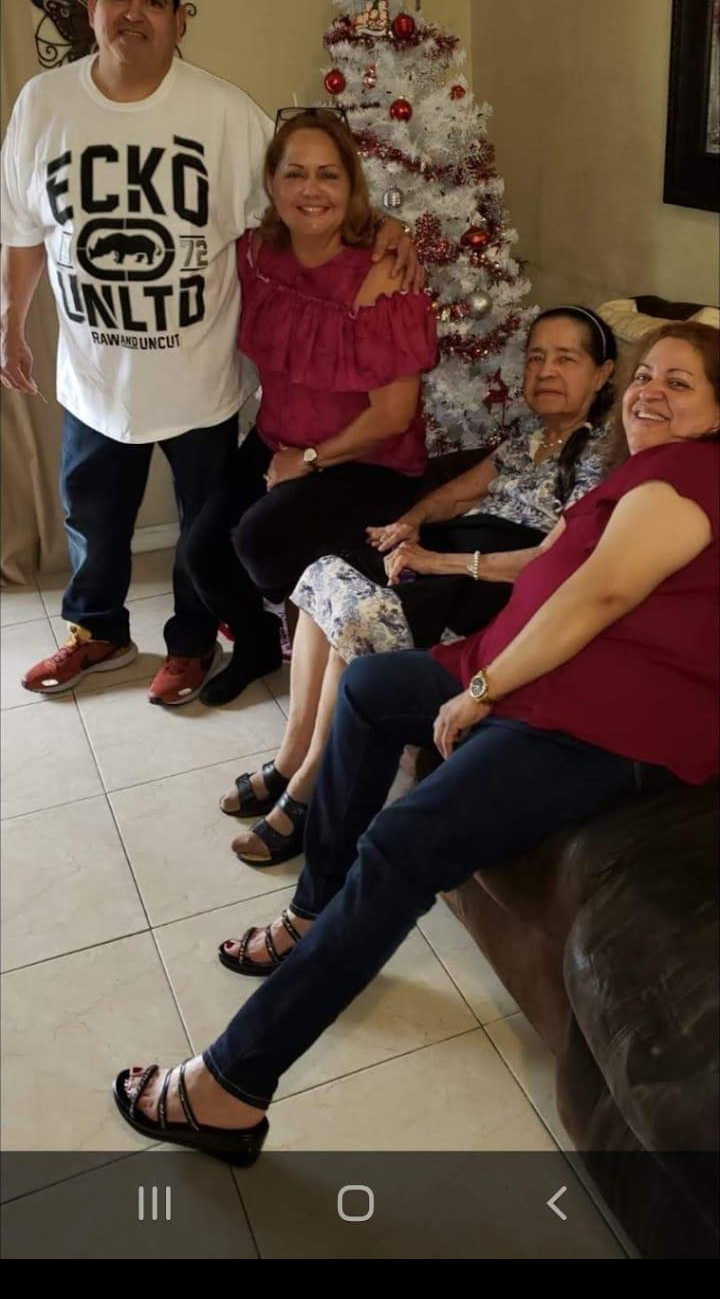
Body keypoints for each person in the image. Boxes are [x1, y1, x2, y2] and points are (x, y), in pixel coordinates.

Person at [113, 321, 719, 1156]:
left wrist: (483, 688)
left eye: (680, 382)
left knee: (403, 844)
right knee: (370, 689)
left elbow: (597, 601)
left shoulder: (685, 479)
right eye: (647, 374)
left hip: (599, 719)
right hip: (533, 670)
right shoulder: (638, 471)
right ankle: (314, 908)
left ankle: (230, 1086)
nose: (651, 390)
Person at [0, 0, 420, 706]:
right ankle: (97, 630)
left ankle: (190, 644)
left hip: (196, 374)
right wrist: (10, 323)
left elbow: (305, 190)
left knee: (200, 533)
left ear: (179, 19)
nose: (135, 13)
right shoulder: (42, 104)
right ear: (92, 9)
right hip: (92, 374)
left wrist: (384, 227)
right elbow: (24, 228)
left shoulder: (223, 113)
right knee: (91, 514)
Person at [224, 305, 616, 867]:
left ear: (602, 375)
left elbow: (550, 564)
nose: (546, 371)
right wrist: (412, 522)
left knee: (359, 614)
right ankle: (290, 759)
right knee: (324, 575)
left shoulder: (602, 457)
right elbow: (456, 494)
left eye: (566, 359)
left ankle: (309, 792)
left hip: (501, 585)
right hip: (460, 556)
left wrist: (437, 562)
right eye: (536, 357)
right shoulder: (530, 438)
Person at [182, 108, 437, 725]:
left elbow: (395, 413)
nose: (311, 190)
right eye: (295, 173)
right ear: (271, 183)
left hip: (367, 460)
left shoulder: (383, 273)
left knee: (259, 539)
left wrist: (311, 461)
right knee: (201, 553)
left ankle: (324, 625)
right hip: (279, 439)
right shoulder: (258, 253)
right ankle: (257, 644)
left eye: (328, 175)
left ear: (351, 188)